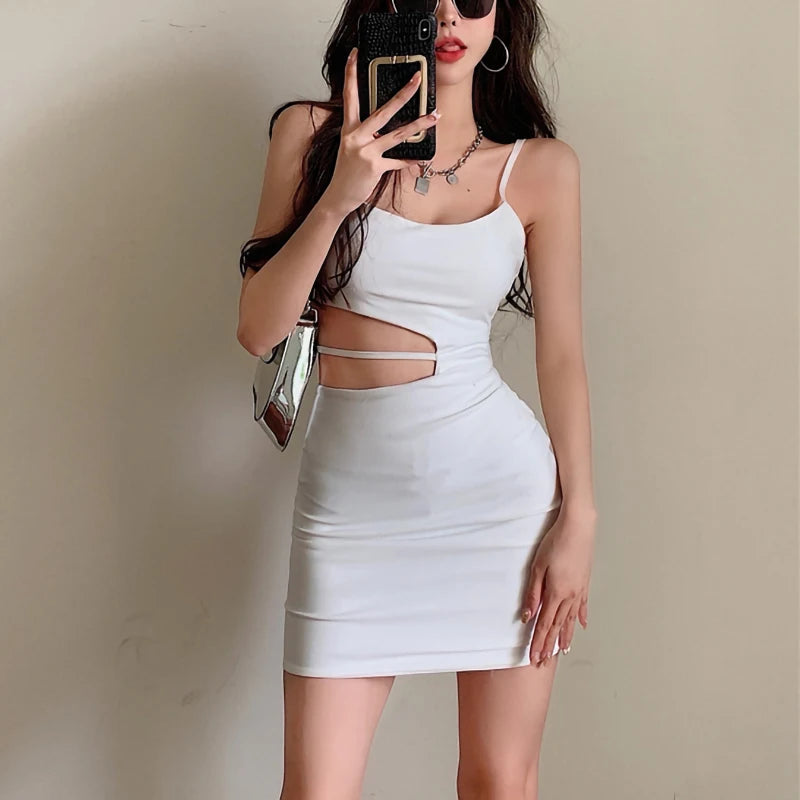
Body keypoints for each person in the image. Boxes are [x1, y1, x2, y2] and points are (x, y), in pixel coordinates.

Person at [236, 1, 596, 797]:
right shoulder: (310, 136)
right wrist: (342, 193)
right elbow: (258, 330)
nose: (448, 15)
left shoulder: (540, 169)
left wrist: (581, 517)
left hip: (499, 506)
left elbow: (563, 356)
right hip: (349, 512)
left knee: (499, 782)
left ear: (502, 21)